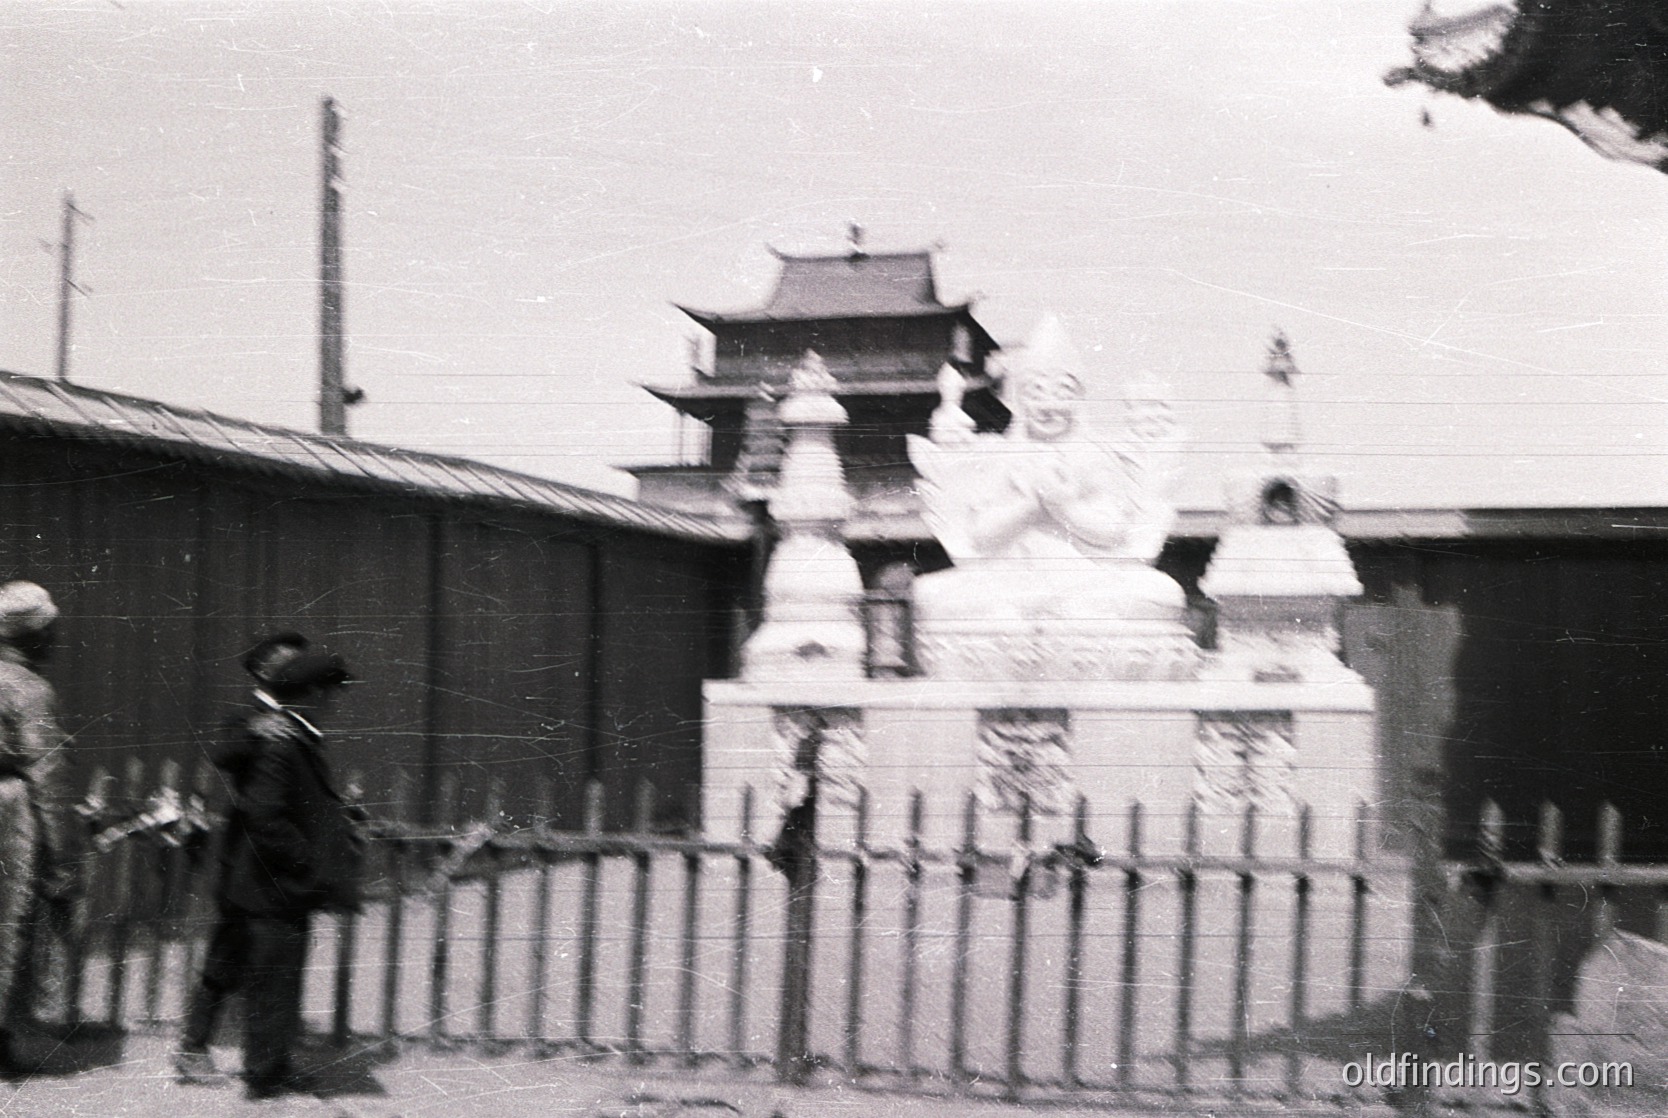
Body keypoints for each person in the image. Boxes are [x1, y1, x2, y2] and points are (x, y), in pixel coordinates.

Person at [175, 635, 363, 1099]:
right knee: (234, 961)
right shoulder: (252, 719)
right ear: (262, 671)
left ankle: (265, 1061)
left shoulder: (296, 725)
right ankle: (201, 1050)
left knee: (262, 965)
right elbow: (226, 755)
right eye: (285, 663)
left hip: (262, 872)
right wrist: (258, 726)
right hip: (253, 868)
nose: (292, 668)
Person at [0, 581, 75, 1074]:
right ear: (34, 636)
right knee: (9, 924)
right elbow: (46, 774)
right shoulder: (28, 688)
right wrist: (62, 857)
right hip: (8, 811)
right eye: (50, 631)